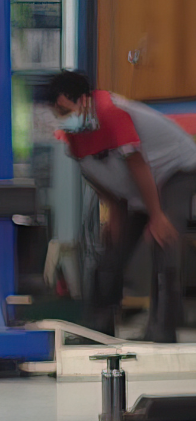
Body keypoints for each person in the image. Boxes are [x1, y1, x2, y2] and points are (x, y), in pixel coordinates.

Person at [48, 70, 196, 342]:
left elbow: (137, 164)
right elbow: (101, 179)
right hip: (140, 185)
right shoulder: (74, 136)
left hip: (176, 169)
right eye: (56, 111)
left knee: (164, 240)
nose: (60, 116)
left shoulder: (111, 112)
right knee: (113, 252)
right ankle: (97, 328)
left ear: (82, 100)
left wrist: (157, 216)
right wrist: (114, 213)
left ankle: (163, 330)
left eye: (63, 109)